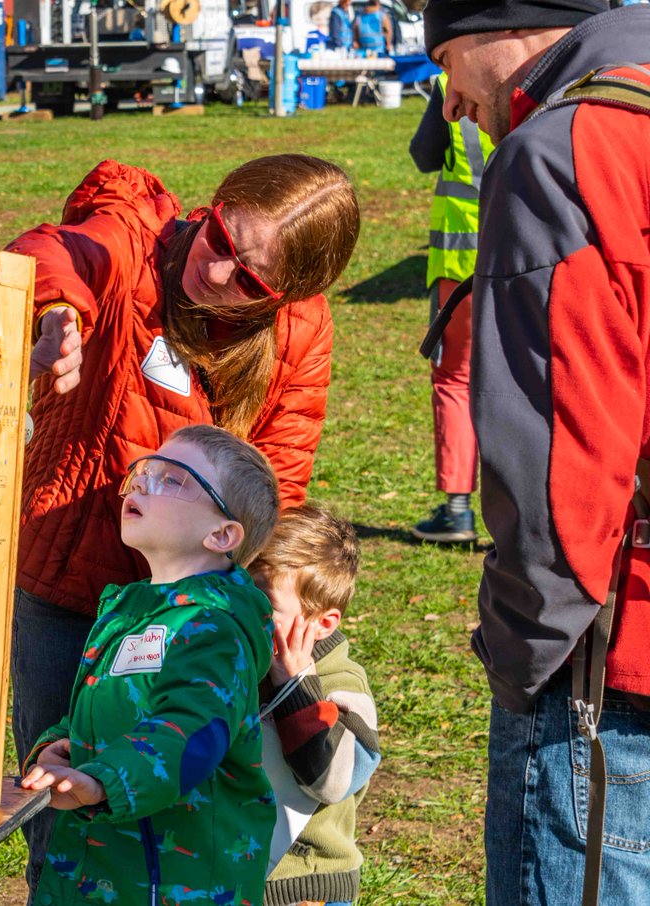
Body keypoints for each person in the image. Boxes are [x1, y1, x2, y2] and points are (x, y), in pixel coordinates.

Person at [8, 155, 360, 896]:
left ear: (288, 293)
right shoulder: (139, 234)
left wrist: (259, 605)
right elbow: (61, 255)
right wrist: (53, 312)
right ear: (217, 202)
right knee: (52, 790)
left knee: (175, 796)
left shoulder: (299, 331)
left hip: (190, 600)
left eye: (252, 280)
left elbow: (277, 480)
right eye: (223, 239)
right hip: (67, 589)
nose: (221, 273)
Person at [423, 0, 650, 903]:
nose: (450, 102)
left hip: (609, 665)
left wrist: (521, 655)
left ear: (500, 29)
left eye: (446, 60)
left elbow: (563, 459)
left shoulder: (561, 153)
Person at [20, 425, 279, 906]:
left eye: (172, 479)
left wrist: (103, 781)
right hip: (101, 875)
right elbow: (103, 707)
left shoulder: (212, 629)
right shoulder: (130, 610)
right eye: (143, 471)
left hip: (180, 888)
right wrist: (60, 745)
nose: (139, 483)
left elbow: (191, 728)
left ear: (221, 534)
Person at [251, 506, 380, 906]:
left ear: (322, 622)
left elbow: (334, 779)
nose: (244, 609)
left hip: (303, 885)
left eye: (264, 600)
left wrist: (296, 687)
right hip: (233, 872)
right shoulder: (241, 665)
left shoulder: (342, 684)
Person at [408, 72, 494, 543]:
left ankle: (458, 508)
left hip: (461, 265)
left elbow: (423, 155)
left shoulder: (451, 81)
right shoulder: (555, 71)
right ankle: (522, 516)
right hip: (532, 261)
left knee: (456, 380)